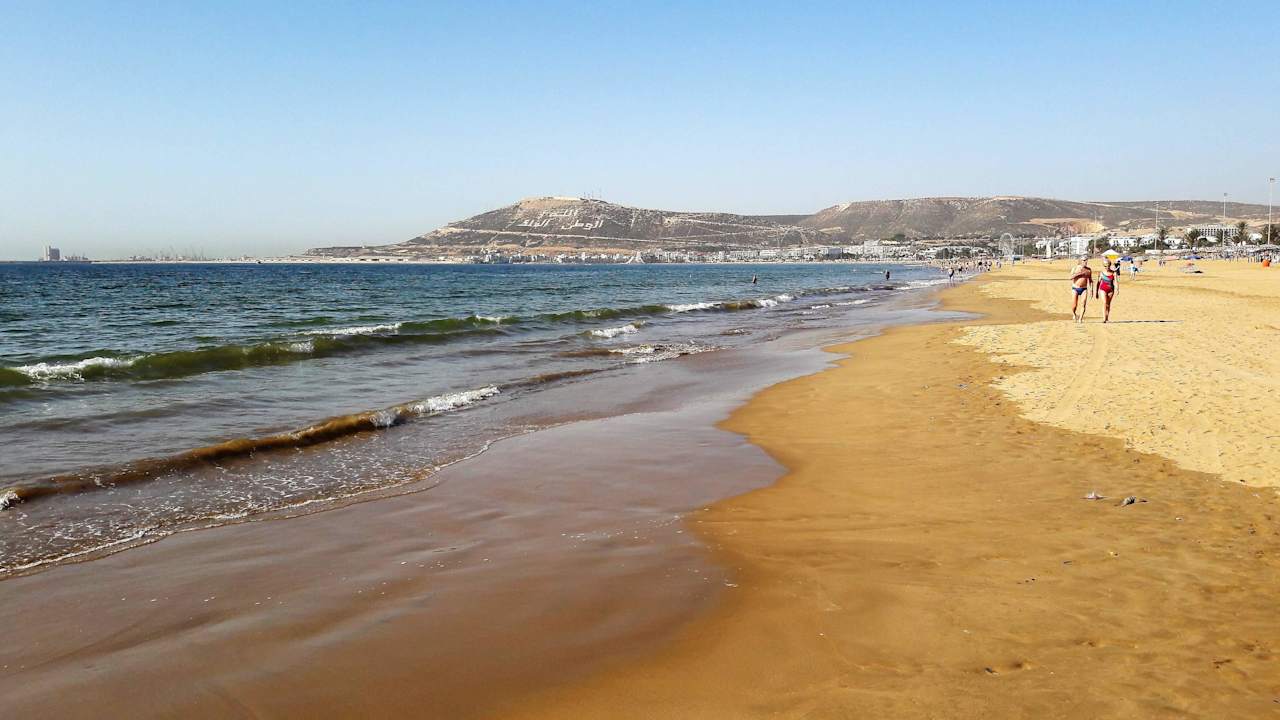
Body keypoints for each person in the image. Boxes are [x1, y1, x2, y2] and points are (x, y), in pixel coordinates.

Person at [1069, 258, 1092, 323]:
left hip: (1084, 289)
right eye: (1084, 260)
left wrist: (1091, 290)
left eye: (1086, 260)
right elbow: (1070, 277)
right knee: (1074, 305)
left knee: (1083, 303)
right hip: (1075, 288)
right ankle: (1074, 314)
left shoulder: (1088, 270)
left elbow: (1090, 280)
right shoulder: (1075, 268)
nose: (1085, 261)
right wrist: (1079, 274)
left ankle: (1080, 319)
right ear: (1080, 261)